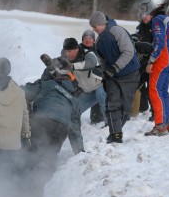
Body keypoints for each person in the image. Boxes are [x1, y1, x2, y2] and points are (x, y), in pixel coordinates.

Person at [23, 55, 84, 173]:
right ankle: (45, 181)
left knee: (34, 150)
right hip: (62, 126)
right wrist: (80, 152)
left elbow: (24, 92)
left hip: (42, 120)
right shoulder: (74, 99)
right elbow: (75, 129)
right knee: (51, 153)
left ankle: (26, 180)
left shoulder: (45, 84)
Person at [89, 11, 140, 143]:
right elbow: (103, 60)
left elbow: (129, 52)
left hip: (129, 73)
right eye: (92, 27)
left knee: (124, 107)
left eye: (95, 27)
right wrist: (105, 75)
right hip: (113, 76)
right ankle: (115, 135)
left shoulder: (117, 31)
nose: (93, 30)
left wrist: (114, 68)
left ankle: (117, 130)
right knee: (112, 104)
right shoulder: (99, 40)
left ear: (102, 23)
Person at [137, 0, 169, 136]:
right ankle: (167, 123)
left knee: (154, 90)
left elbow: (159, 43)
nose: (144, 11)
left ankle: (160, 125)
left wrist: (152, 61)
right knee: (164, 91)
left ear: (151, 4)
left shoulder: (157, 20)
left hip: (162, 58)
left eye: (145, 7)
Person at [60, 37, 107, 125]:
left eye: (70, 51)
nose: (67, 53)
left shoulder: (88, 54)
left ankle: (110, 125)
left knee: (101, 95)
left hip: (102, 85)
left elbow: (89, 64)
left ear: (77, 49)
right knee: (75, 109)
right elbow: (58, 71)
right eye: (66, 51)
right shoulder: (65, 58)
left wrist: (72, 66)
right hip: (88, 91)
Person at [79, 30, 104, 124]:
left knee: (100, 92)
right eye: (85, 38)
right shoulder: (78, 49)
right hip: (83, 79)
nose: (88, 40)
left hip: (98, 78)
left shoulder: (98, 49)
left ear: (93, 40)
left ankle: (98, 117)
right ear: (82, 39)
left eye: (90, 38)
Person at [135, 15, 155, 120]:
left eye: (147, 16)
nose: (145, 17)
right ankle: (142, 107)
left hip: (152, 62)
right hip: (142, 62)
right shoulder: (140, 27)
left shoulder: (156, 28)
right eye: (143, 15)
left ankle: (155, 112)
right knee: (138, 84)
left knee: (151, 88)